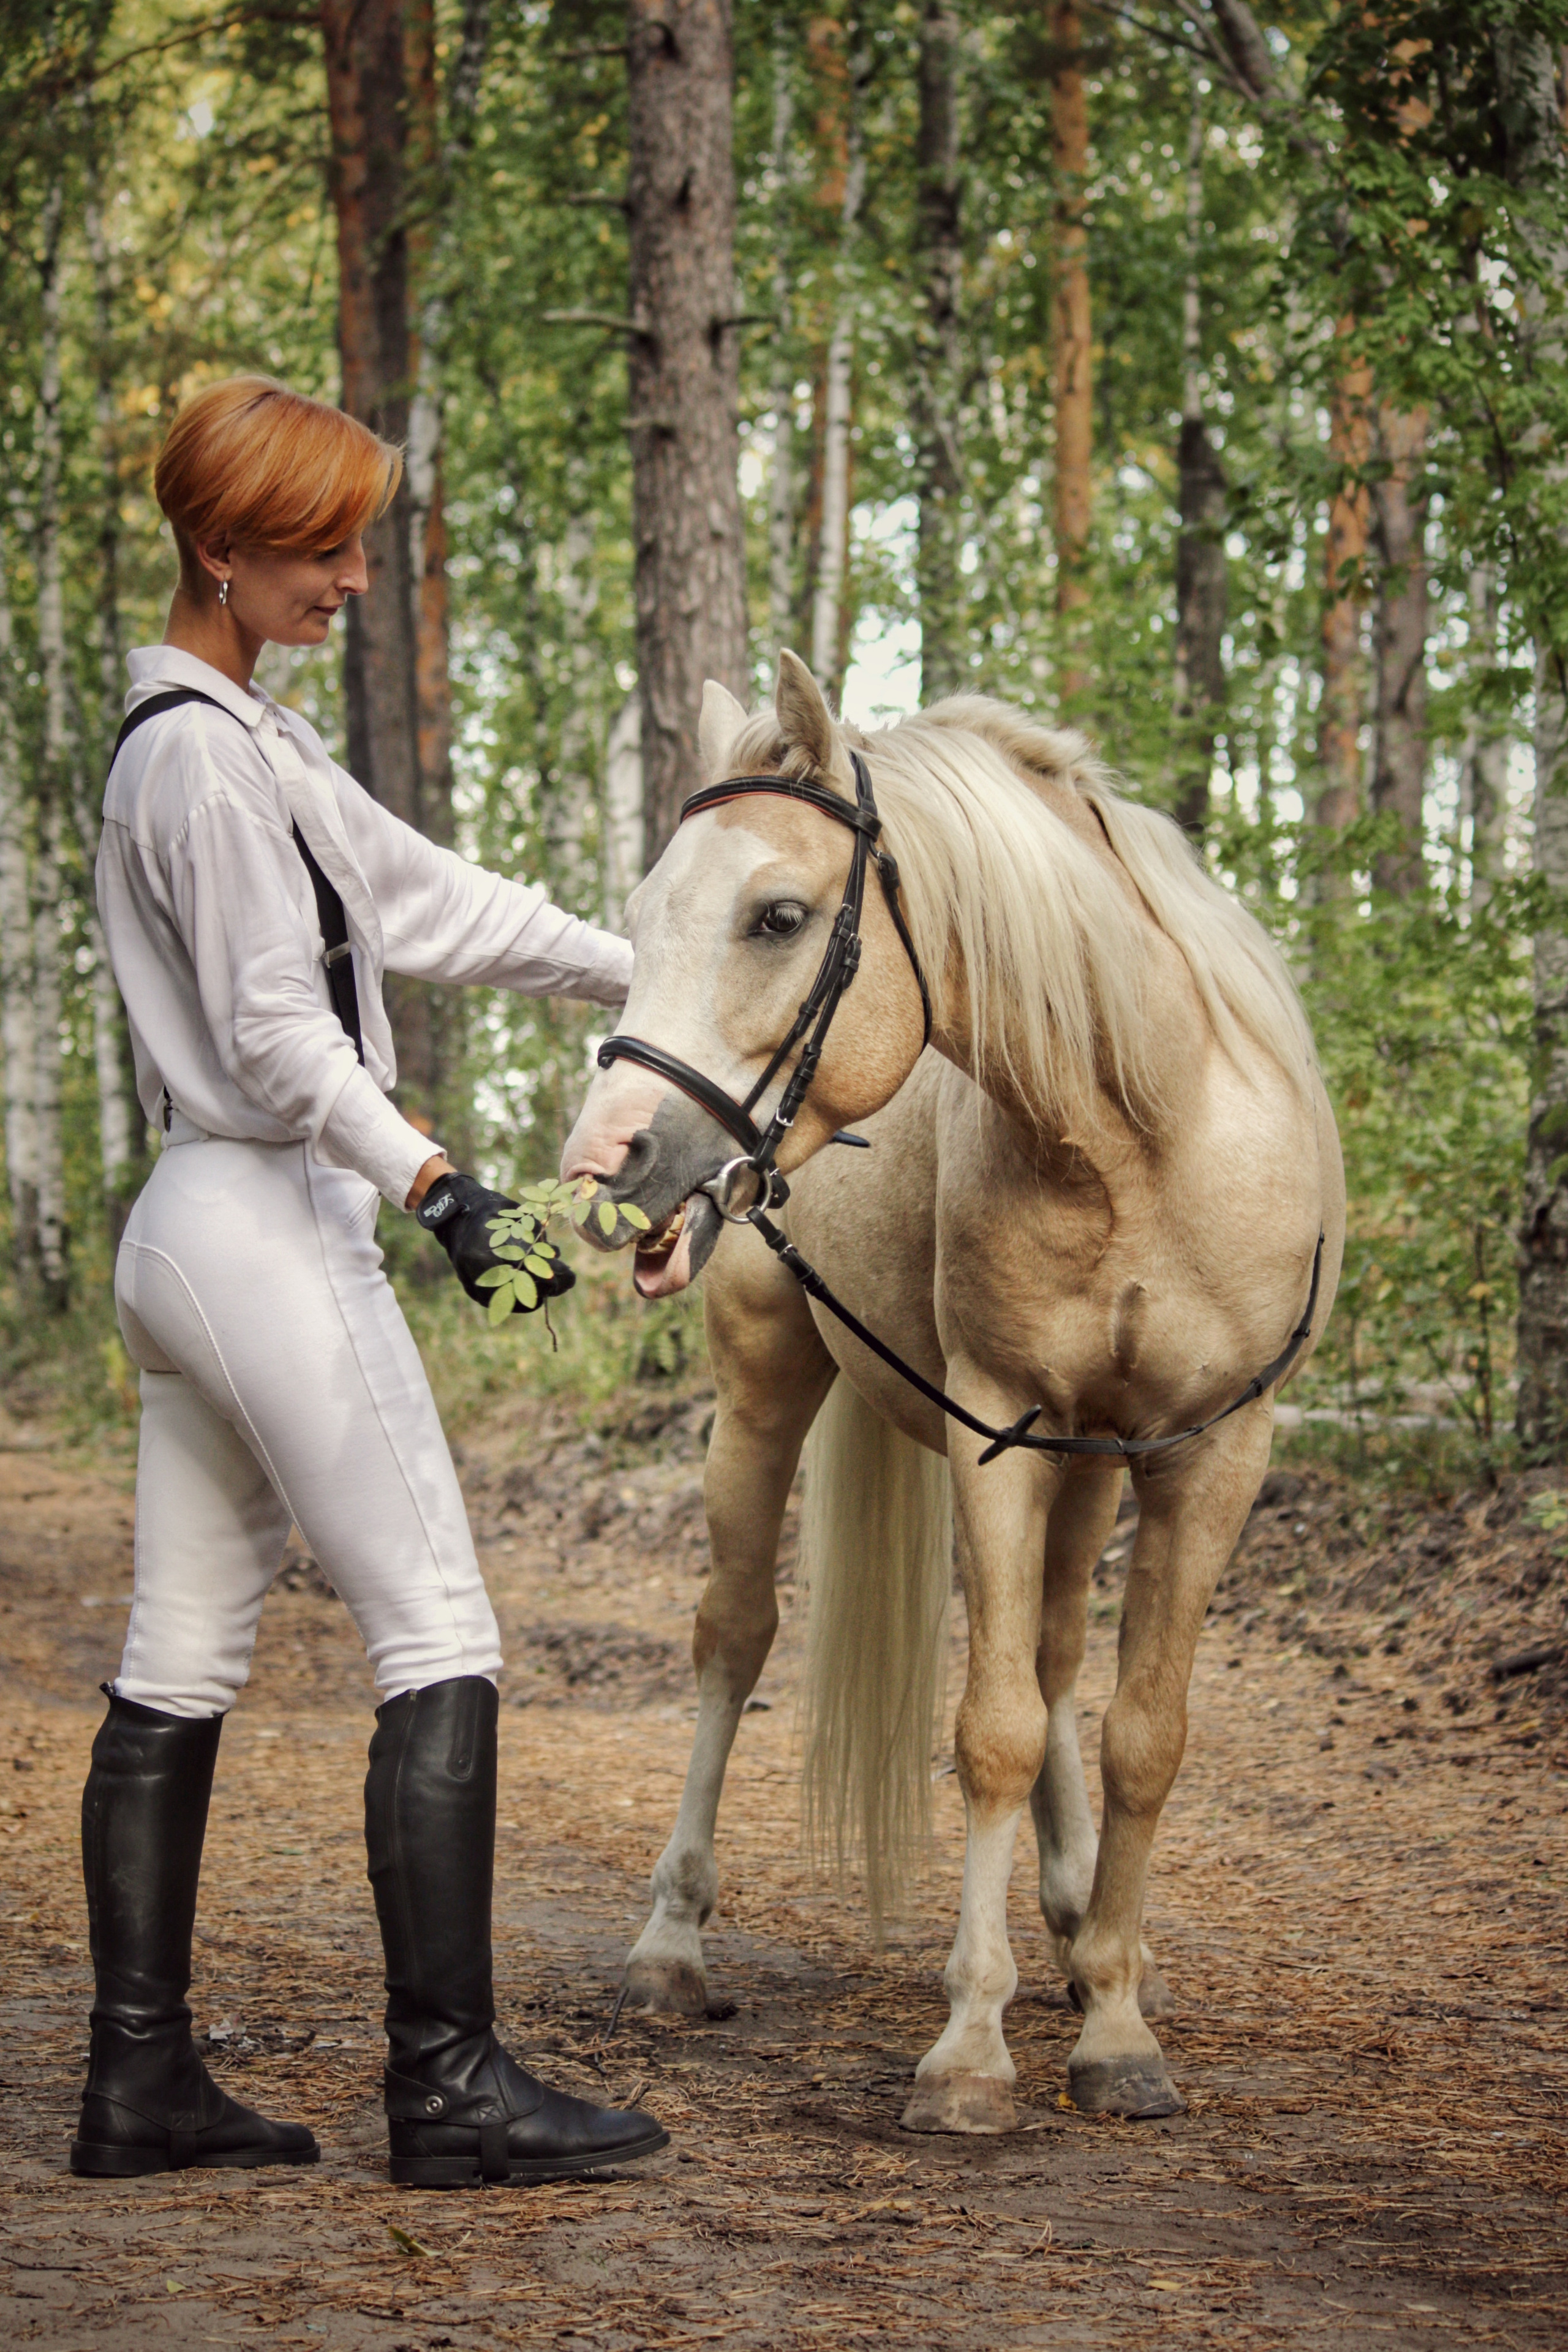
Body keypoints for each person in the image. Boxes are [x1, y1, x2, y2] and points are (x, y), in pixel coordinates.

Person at [76, 374, 666, 2190]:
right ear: (218, 548)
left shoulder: (249, 740)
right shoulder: (196, 758)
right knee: (441, 1635)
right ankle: (452, 2087)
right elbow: (270, 1028)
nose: (350, 580)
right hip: (260, 1215)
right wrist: (434, 1183)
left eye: (356, 545)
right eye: (318, 552)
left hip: (199, 1231)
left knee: (181, 1651)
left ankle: (141, 2085)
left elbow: (432, 906)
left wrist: (654, 976)